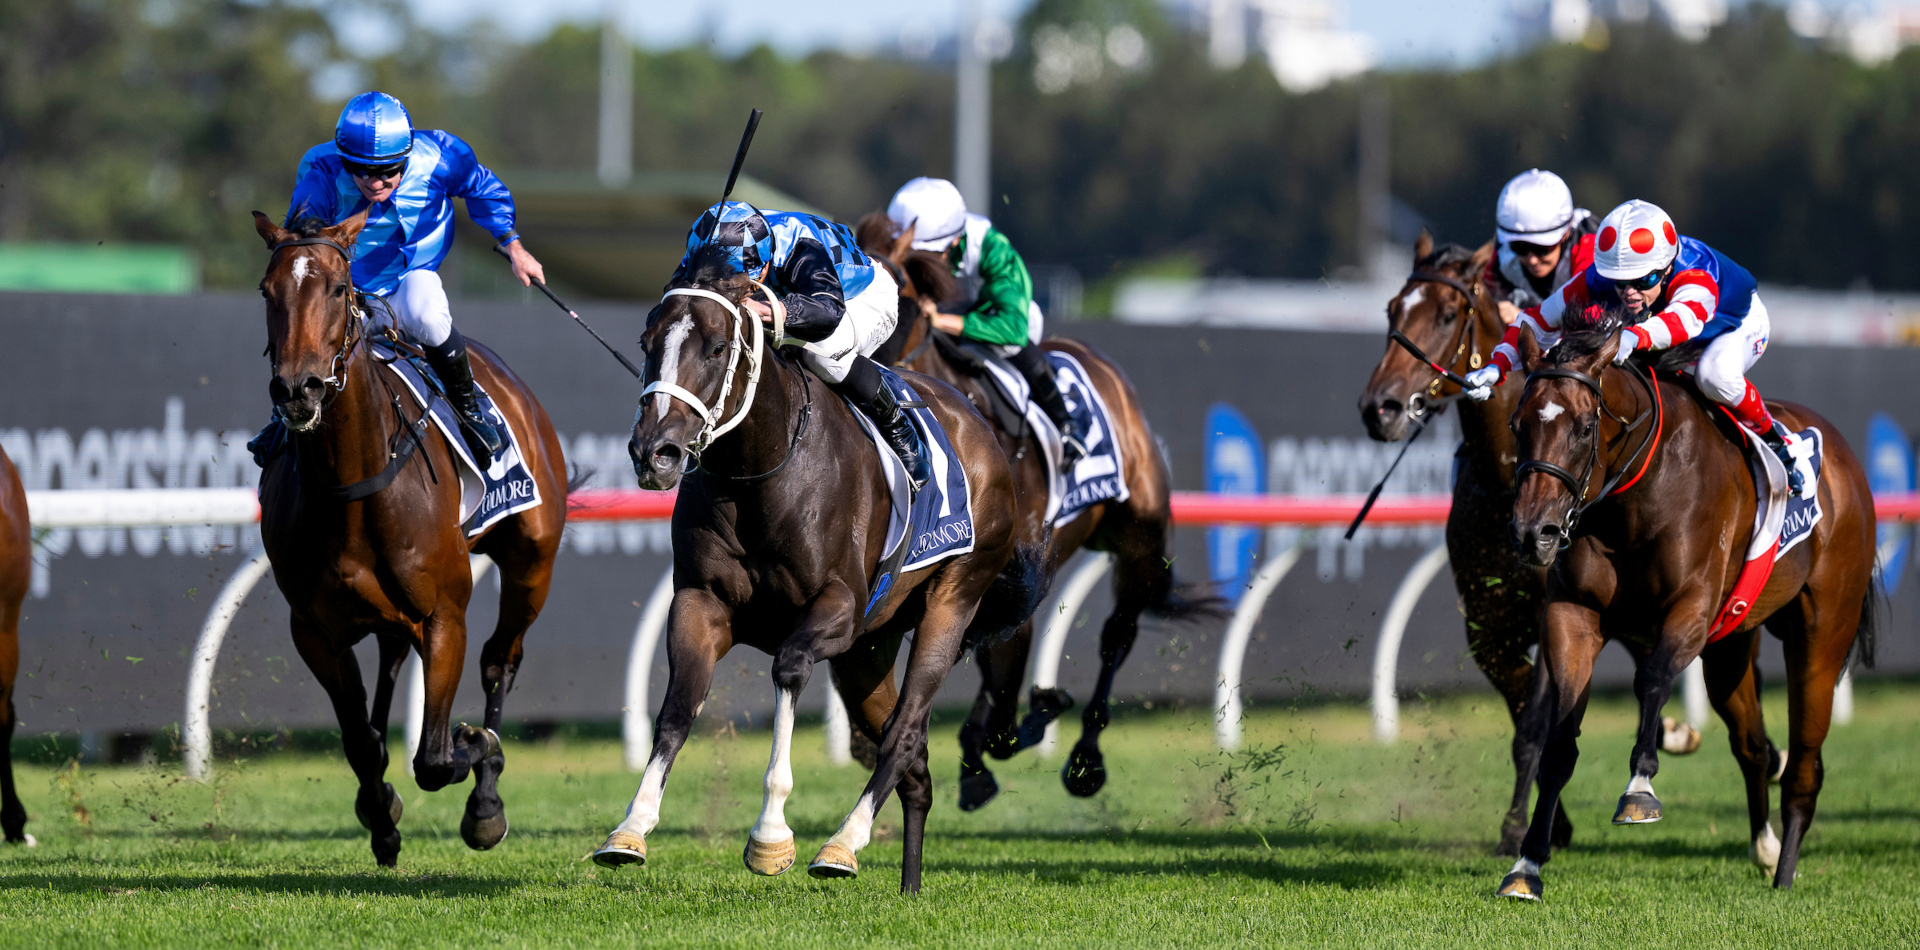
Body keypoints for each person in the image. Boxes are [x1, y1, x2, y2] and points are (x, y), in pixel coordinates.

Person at [252, 90, 546, 464]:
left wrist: (513, 245)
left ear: (406, 158)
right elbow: (304, 228)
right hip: (350, 290)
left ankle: (470, 410)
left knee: (426, 314)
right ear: (344, 160)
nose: (375, 182)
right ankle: (283, 416)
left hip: (412, 276)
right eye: (360, 170)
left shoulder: (441, 155)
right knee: (304, 317)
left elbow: (483, 189)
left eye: (388, 171)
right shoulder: (322, 167)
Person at [1463, 199, 1801, 494]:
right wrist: (1498, 366)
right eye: (1620, 283)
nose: (1630, 292)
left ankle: (1776, 440)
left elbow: (1685, 320)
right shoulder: (1596, 278)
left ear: (1667, 267)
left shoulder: (1696, 273)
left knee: (1713, 376)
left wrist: (1633, 337)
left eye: (1644, 281)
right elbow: (1535, 321)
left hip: (1732, 324)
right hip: (1660, 329)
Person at [669, 201, 931, 490]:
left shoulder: (801, 249)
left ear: (765, 268)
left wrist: (769, 310)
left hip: (858, 296)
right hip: (795, 294)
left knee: (824, 355)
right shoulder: (705, 246)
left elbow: (828, 311)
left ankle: (899, 427)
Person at [885, 177, 1091, 464]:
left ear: (954, 242)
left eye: (927, 256)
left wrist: (942, 320)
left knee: (1013, 347)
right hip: (942, 312)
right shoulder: (922, 238)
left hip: (996, 320)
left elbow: (1014, 328)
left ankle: (1067, 425)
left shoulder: (993, 249)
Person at [1485, 169, 1598, 324]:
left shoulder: (1589, 246)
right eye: (1520, 248)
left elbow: (1591, 320)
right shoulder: (1502, 256)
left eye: (1542, 249)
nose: (1532, 260)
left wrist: (1525, 318)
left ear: (1565, 234)